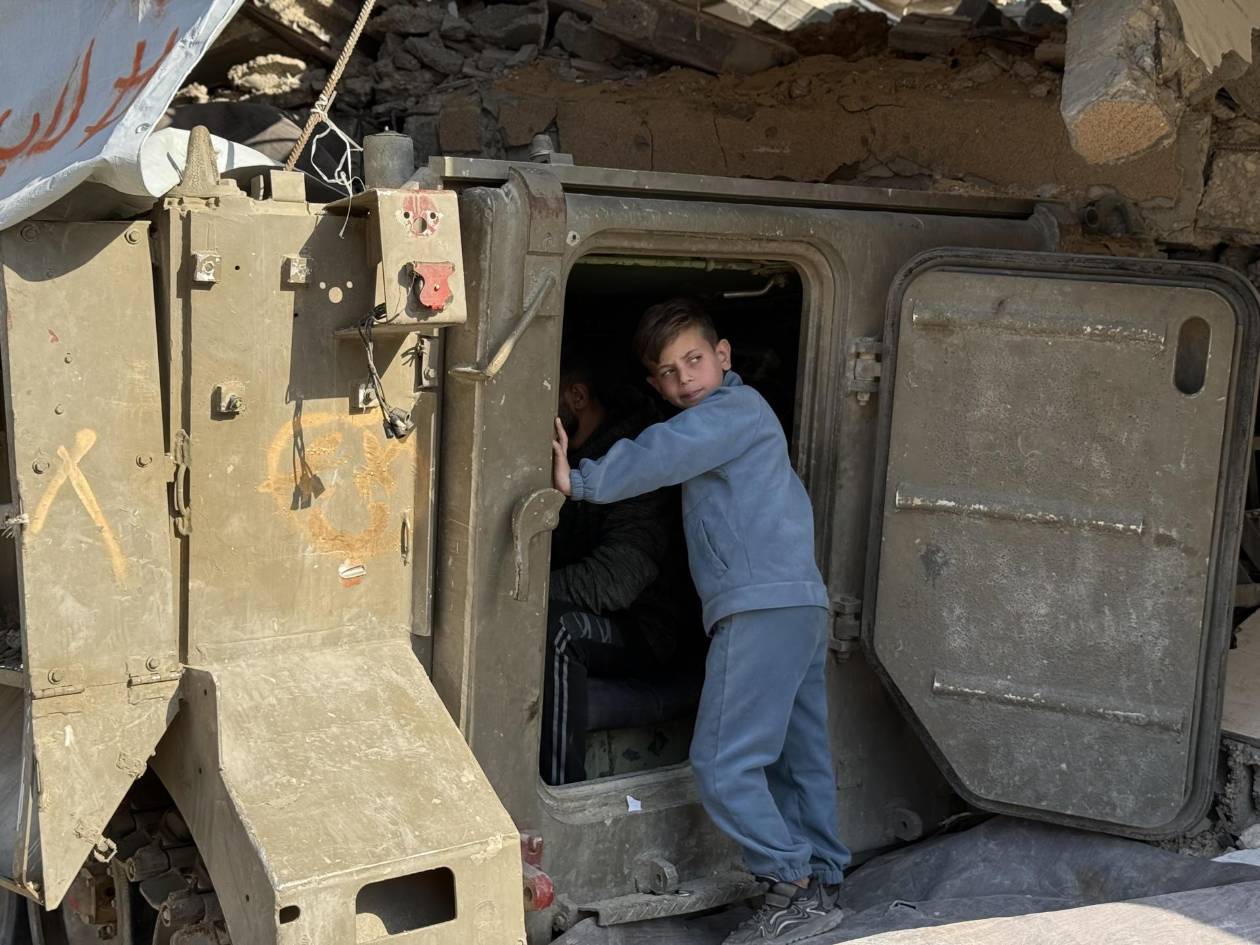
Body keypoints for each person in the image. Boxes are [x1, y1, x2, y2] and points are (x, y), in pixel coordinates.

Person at [551, 301, 850, 945]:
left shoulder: (730, 413)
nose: (685, 377)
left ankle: (792, 888)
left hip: (759, 605)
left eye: (694, 359)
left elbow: (668, 449)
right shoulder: (739, 416)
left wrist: (582, 480)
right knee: (798, 757)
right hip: (798, 603)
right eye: (667, 370)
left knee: (721, 763)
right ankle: (824, 875)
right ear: (654, 385)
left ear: (724, 356)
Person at [543, 340, 698, 786]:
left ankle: (560, 792)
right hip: (609, 616)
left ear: (576, 397)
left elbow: (615, 581)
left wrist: (527, 595)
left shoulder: (632, 461)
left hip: (645, 628)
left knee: (559, 631)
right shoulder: (570, 457)